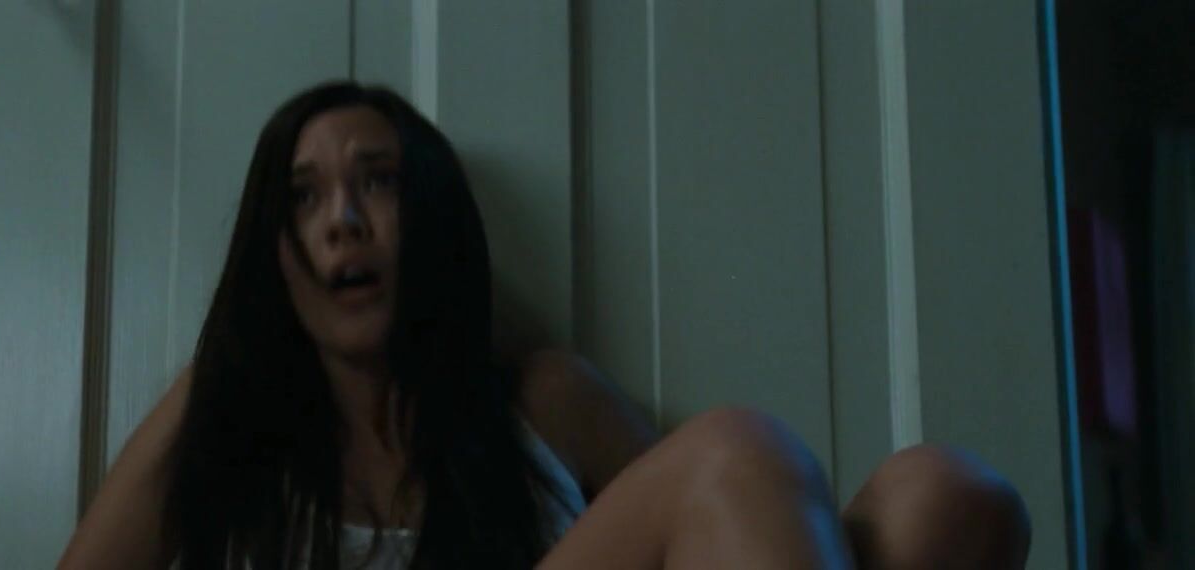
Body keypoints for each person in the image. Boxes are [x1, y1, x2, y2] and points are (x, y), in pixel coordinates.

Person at [58, 81, 1031, 569]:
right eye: (303, 198)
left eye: (378, 183)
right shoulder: (231, 424)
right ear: (274, 253)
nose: (343, 221)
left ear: (433, 219)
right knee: (739, 450)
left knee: (941, 500)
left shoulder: (542, 402)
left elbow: (716, 539)